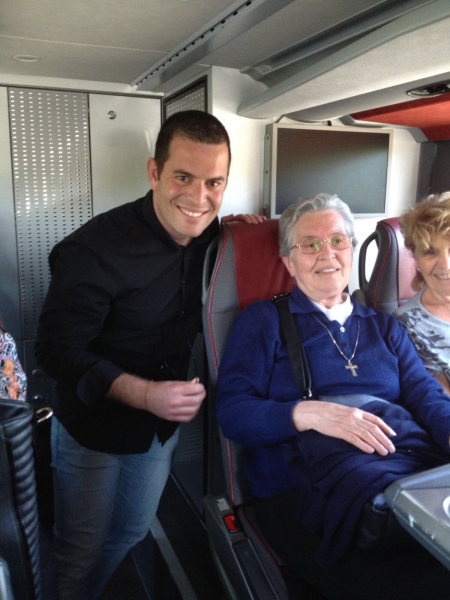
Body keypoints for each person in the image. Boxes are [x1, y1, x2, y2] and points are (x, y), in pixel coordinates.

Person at [35, 109, 264, 600]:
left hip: (158, 430)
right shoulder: (92, 250)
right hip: (92, 428)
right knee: (79, 548)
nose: (199, 198)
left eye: (214, 183)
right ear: (155, 172)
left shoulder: (213, 236)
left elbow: (225, 229)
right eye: (183, 177)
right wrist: (144, 394)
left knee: (130, 531)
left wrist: (244, 230)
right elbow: (55, 351)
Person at [216, 193, 450, 600]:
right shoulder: (263, 321)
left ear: (351, 249)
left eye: (338, 240)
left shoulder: (384, 327)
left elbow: (425, 395)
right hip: (302, 492)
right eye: (310, 244)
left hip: (401, 473)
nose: (327, 253)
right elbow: (233, 413)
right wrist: (308, 414)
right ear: (288, 262)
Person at [394, 192, 450, 396]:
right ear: (416, 259)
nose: (445, 265)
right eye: (430, 252)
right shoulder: (407, 325)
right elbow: (439, 399)